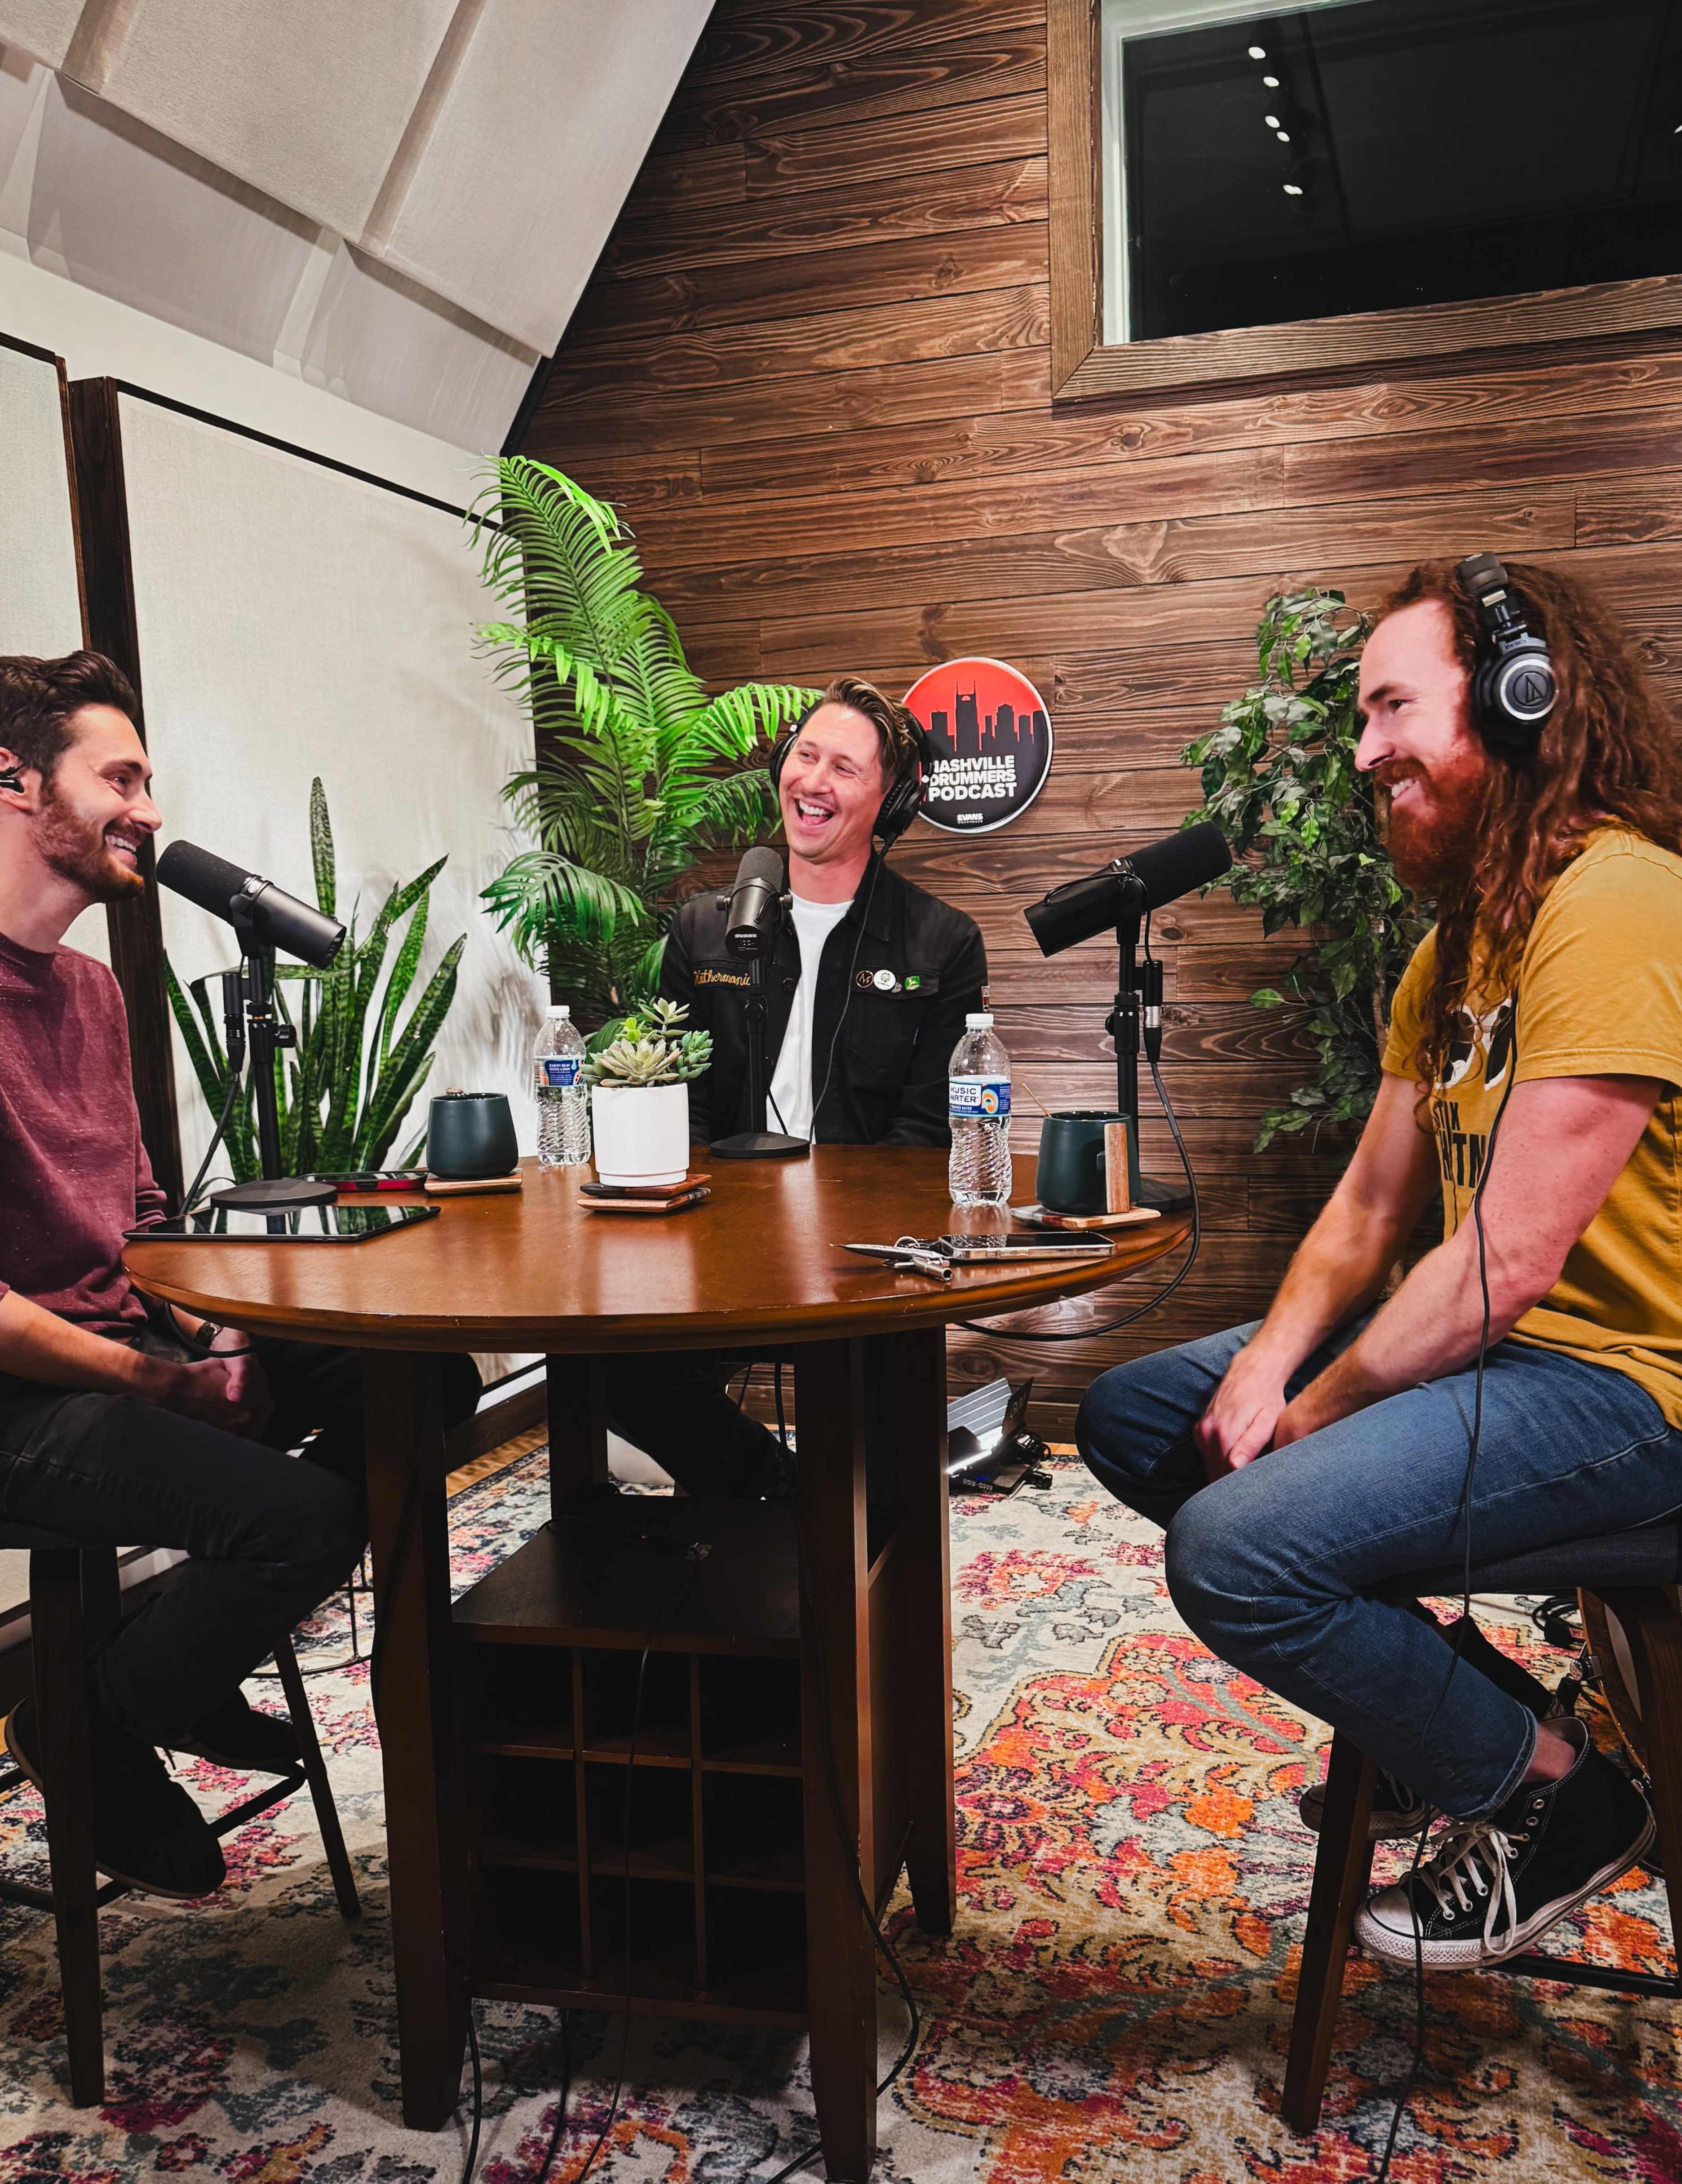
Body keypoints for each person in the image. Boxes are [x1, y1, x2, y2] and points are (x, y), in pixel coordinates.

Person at [1076, 559, 1682, 1973]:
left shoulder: (1622, 902)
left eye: (1393, 705)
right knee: (1137, 1414)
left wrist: (1315, 1414)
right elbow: (1363, 1208)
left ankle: (1563, 1803)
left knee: (1233, 1548)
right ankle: (1464, 1718)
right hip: (1506, 1358)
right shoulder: (1454, 946)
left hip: (1628, 1392)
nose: (1364, 752)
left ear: (1526, 704)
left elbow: (1510, 1257)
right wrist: (1272, 1365)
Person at [0, 651, 479, 1897]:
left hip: (114, 1347)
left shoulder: (88, 988)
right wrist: (158, 1383)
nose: (148, 806)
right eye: (121, 775)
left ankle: (171, 1669)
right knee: (296, 1518)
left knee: (422, 1384)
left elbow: (139, 1216)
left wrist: (219, 1330)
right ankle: (94, 1727)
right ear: (12, 780)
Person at [603, 674, 987, 1499]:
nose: (813, 782)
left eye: (844, 768)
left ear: (889, 804)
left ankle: (843, 1542)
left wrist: (849, 1249)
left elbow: (927, 1130)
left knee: (880, 1445)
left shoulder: (942, 941)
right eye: (804, 756)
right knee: (610, 1364)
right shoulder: (707, 926)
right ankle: (770, 1493)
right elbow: (684, 1104)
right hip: (717, 1237)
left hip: (865, 1253)